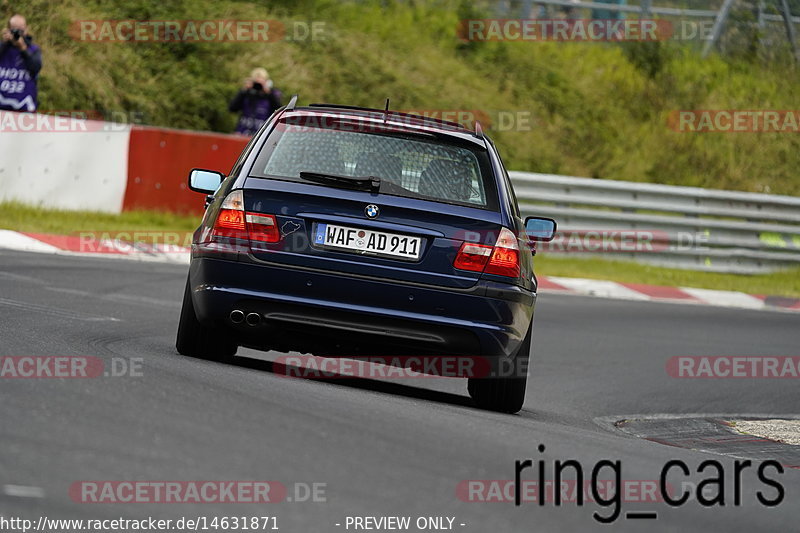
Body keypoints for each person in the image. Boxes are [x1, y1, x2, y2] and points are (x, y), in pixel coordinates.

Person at [0, 14, 41, 112]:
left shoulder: (33, 49)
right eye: (14, 30)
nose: (17, 34)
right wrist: (5, 43)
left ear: (26, 30)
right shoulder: (2, 48)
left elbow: (36, 67)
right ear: (8, 29)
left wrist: (23, 47)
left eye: (20, 30)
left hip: (24, 109)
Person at [229, 68, 282, 136]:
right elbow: (232, 108)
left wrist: (269, 94)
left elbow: (279, 112)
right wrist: (244, 91)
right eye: (256, 83)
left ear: (266, 82)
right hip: (242, 133)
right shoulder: (246, 94)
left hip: (260, 136)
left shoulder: (271, 95)